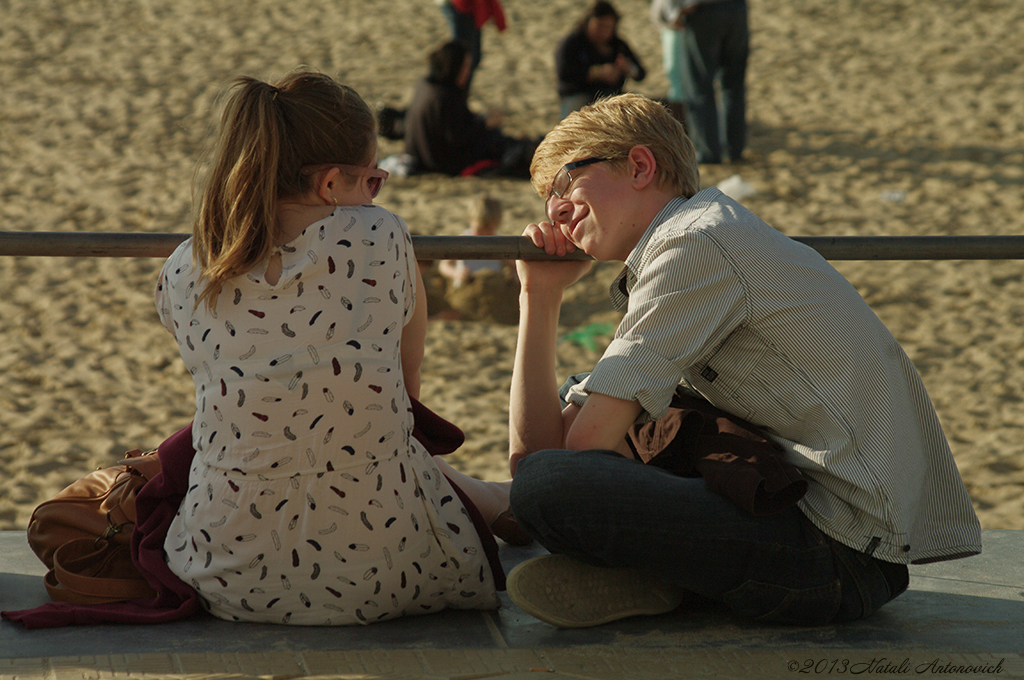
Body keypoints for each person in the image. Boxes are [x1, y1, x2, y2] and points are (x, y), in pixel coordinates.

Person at [504, 94, 982, 628]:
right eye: (546, 199)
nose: (554, 209)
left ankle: (661, 578)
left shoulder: (694, 245)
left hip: (841, 554)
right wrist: (538, 297)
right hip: (837, 535)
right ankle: (659, 579)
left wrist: (525, 499)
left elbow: (568, 458)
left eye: (565, 182)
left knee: (551, 483)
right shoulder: (707, 233)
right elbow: (538, 451)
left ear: (640, 166)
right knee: (589, 409)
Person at [155, 70, 527, 627]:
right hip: (387, 571)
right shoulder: (382, 236)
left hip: (226, 574)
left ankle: (501, 500)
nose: (377, 196)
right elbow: (404, 398)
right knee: (396, 463)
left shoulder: (187, 267)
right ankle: (510, 503)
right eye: (372, 182)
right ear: (332, 184)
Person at [404, 41, 536, 178]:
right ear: (454, 66)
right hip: (440, 161)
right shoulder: (444, 96)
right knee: (500, 146)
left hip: (422, 154)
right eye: (465, 66)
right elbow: (457, 137)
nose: (468, 72)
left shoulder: (426, 85)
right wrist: (485, 123)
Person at [650, 0, 749, 164]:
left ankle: (708, 151)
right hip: (737, 8)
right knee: (733, 84)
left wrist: (672, 11)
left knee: (699, 87)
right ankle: (735, 149)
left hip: (703, 10)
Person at [555, 1, 646, 119]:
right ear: (588, 22)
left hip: (612, 96)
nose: (603, 32)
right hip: (578, 95)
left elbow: (640, 73)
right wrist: (597, 73)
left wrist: (628, 68)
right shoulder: (573, 43)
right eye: (599, 26)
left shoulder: (618, 45)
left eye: (608, 27)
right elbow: (564, 73)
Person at [439, 195, 511, 288]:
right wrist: (456, 273)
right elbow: (444, 265)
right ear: (471, 221)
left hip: (492, 287)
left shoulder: (499, 243)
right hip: (466, 286)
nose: (484, 234)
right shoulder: (463, 240)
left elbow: (514, 264)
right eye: (480, 229)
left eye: (489, 229)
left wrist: (513, 274)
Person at [437, 0, 507, 89]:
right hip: (462, 8)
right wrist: (500, 20)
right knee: (461, 60)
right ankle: (454, 92)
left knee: (470, 59)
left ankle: (458, 92)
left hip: (469, 9)